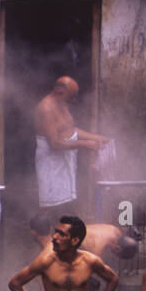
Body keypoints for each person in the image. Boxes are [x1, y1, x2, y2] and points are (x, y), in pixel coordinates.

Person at [34, 77, 108, 211]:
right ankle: (44, 231)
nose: (73, 101)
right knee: (50, 206)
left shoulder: (62, 104)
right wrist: (84, 144)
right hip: (51, 163)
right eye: (71, 97)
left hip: (65, 161)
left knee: (67, 202)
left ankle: (64, 229)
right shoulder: (46, 109)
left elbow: (70, 129)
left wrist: (95, 137)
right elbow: (54, 144)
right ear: (60, 92)